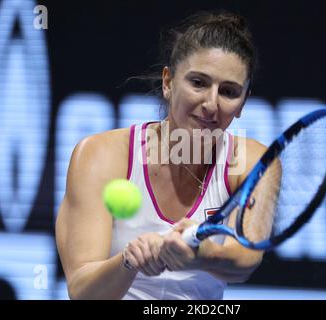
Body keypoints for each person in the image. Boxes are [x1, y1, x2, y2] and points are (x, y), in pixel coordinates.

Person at [55, 10, 270, 300]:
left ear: (243, 103)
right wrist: (130, 260)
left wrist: (198, 256)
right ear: (168, 82)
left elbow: (245, 262)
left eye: (229, 91)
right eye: (198, 82)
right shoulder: (100, 154)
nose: (210, 103)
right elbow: (83, 292)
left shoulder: (253, 162)